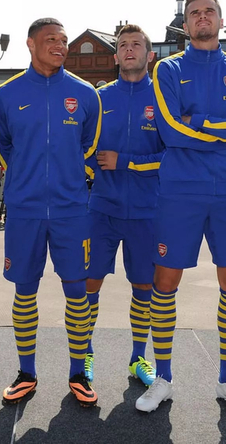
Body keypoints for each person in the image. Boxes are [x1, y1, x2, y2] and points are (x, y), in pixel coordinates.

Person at [139, 0, 226, 414]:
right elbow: (170, 132)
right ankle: (163, 378)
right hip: (179, 192)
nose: (202, 17)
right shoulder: (168, 69)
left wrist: (200, 123)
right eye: (194, 13)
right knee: (164, 284)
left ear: (220, 20)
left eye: (209, 11)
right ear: (185, 25)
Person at [0, 18, 101, 407]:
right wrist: (26, 179)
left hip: (72, 211)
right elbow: (3, 146)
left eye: (64, 40)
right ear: (30, 43)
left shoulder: (85, 94)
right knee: (24, 291)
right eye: (51, 39)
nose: (60, 45)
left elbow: (89, 146)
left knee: (77, 293)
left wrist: (70, 177)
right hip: (25, 210)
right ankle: (26, 373)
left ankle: (78, 373)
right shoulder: (6, 94)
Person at [84, 24, 164, 388]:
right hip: (102, 209)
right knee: (88, 283)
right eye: (122, 45)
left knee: (144, 287)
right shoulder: (99, 99)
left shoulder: (163, 99)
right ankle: (84, 354)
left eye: (136, 44)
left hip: (148, 211)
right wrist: (96, 170)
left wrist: (126, 162)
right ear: (115, 56)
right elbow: (83, 149)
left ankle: (137, 358)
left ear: (150, 55)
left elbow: (172, 157)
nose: (129, 49)